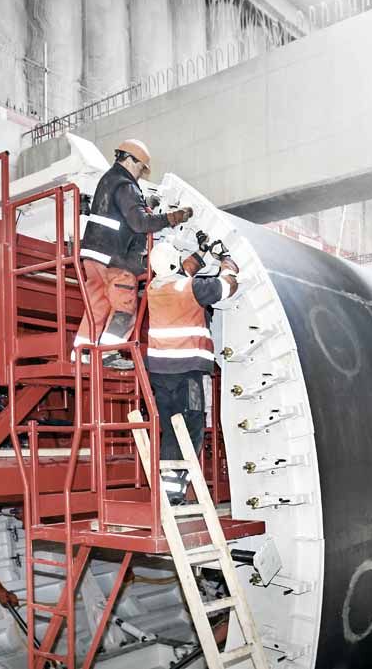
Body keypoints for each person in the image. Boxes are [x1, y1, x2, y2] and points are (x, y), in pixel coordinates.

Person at [73, 139, 192, 369]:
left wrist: (146, 204)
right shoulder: (125, 184)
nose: (140, 173)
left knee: (97, 304)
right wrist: (172, 217)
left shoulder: (108, 180)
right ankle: (109, 354)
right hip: (117, 258)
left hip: (93, 256)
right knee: (125, 306)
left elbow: (122, 214)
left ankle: (82, 353)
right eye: (140, 168)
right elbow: (139, 223)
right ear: (129, 160)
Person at [146, 238, 240, 503]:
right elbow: (226, 286)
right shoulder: (191, 288)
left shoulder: (155, 287)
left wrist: (201, 252)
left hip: (160, 372)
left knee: (170, 428)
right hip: (188, 371)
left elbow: (181, 271)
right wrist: (226, 260)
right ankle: (174, 493)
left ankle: (169, 492)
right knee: (192, 426)